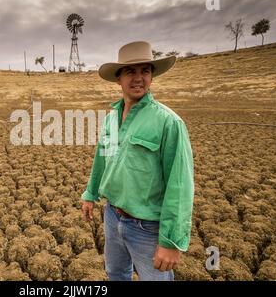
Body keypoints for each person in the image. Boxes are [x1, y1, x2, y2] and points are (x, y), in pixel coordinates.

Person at [81, 41, 194, 281]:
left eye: (145, 71)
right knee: (116, 274)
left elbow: (180, 186)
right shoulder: (111, 117)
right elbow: (102, 160)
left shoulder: (169, 122)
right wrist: (91, 194)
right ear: (118, 79)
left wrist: (171, 241)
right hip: (112, 216)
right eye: (130, 71)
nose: (138, 78)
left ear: (152, 76)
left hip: (148, 228)